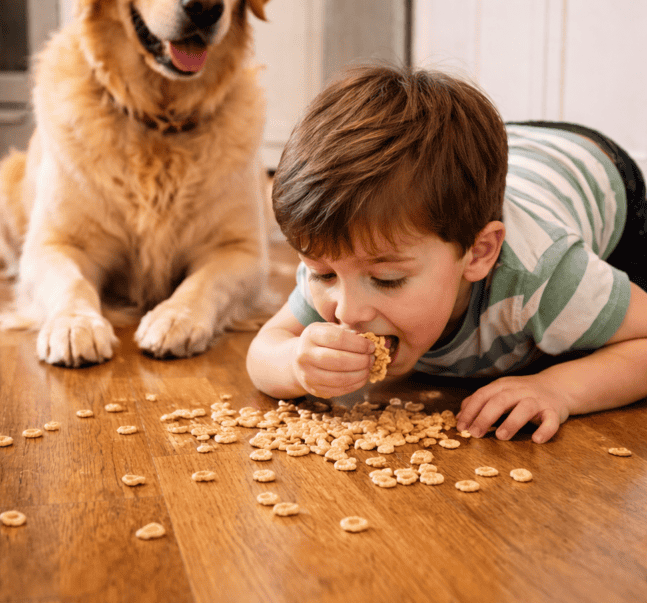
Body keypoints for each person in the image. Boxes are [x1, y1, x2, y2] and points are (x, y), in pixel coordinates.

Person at [246, 64, 647, 443]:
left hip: (596, 172)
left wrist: (558, 389)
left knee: (596, 330)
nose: (347, 312)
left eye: (387, 280)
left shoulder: (544, 272)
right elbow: (264, 350)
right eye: (322, 274)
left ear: (479, 253)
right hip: (511, 155)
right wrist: (295, 364)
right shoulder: (344, 253)